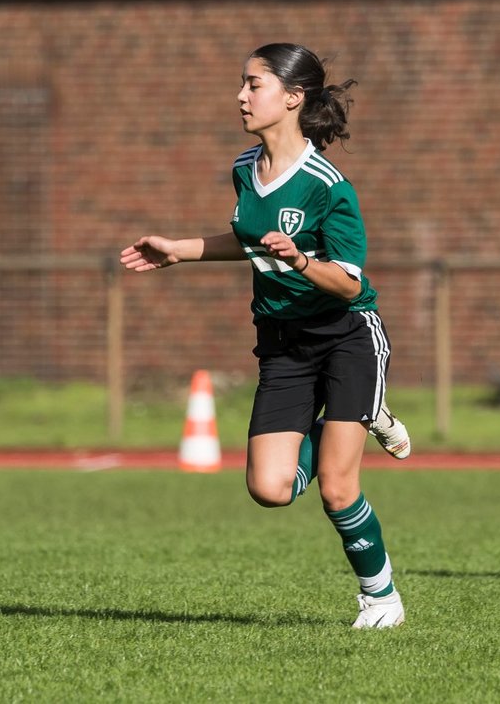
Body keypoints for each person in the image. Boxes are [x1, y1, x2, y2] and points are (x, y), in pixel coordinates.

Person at [120, 42, 410, 626]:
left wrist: (303, 262)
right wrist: (181, 250)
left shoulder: (328, 186)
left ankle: (381, 599)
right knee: (271, 489)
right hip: (282, 343)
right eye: (243, 84)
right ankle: (342, 420)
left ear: (293, 98)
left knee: (335, 487)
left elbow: (352, 286)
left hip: (346, 335)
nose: (241, 96)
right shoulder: (242, 168)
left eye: (254, 85)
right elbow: (251, 238)